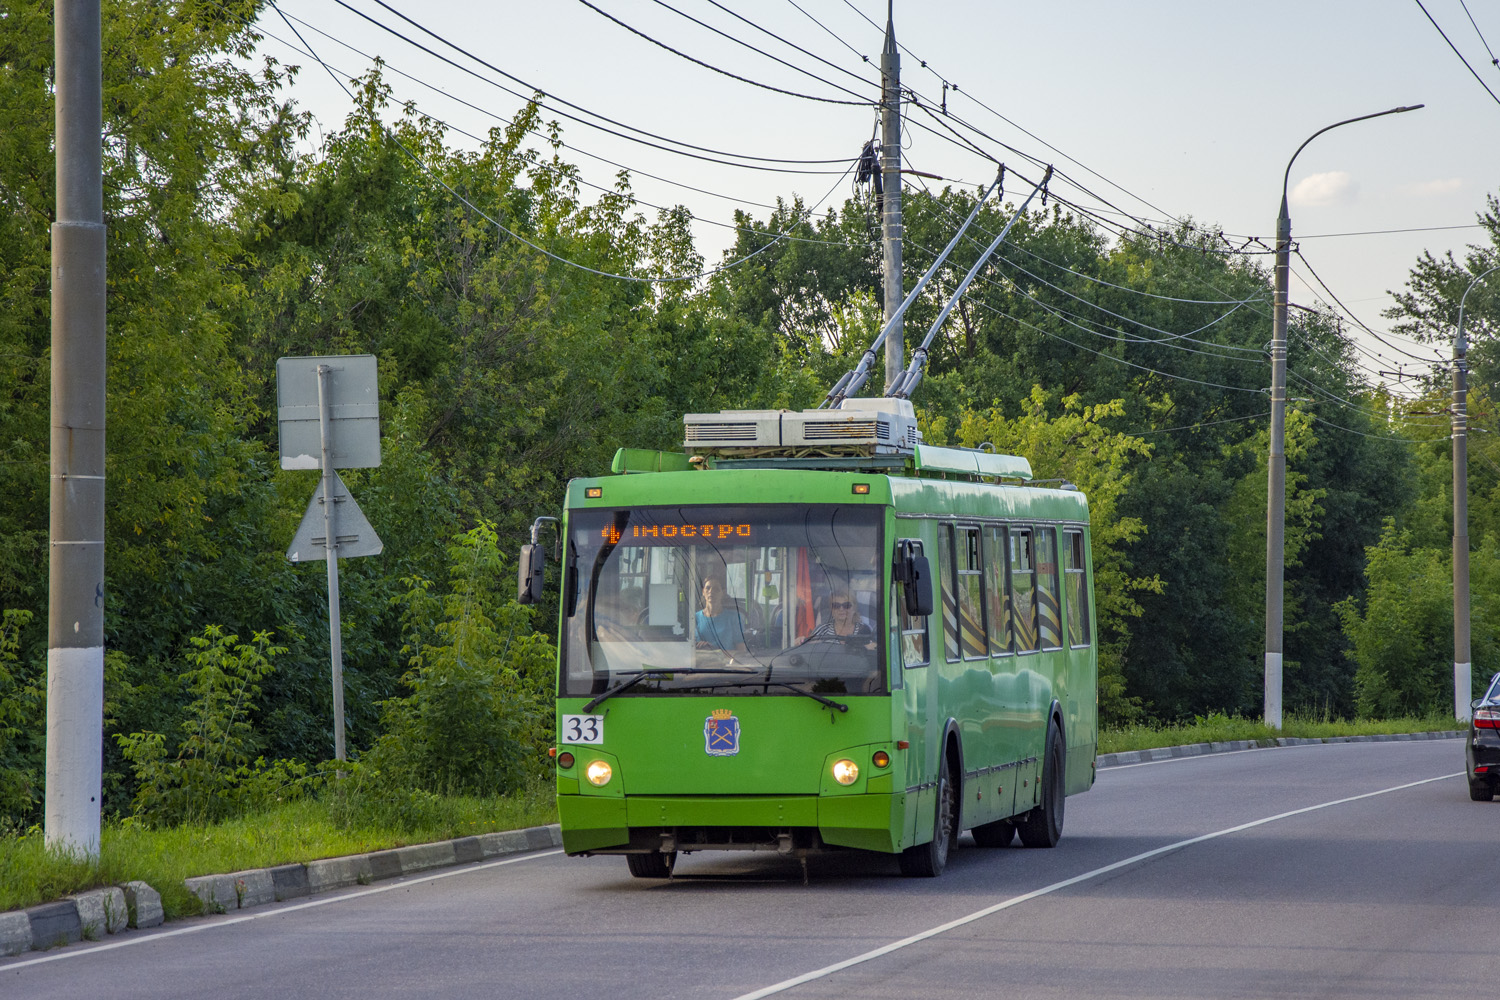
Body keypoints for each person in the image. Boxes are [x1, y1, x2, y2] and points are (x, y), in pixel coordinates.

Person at [694, 573, 747, 654]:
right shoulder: (694, 618)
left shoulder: (734, 617)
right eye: (708, 588)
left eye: (716, 589)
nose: (711, 591)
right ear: (703, 592)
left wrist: (715, 652)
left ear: (723, 592)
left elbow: (741, 651)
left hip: (727, 665)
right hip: (701, 665)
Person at [806, 588, 874, 646]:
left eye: (846, 605)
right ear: (831, 609)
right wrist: (802, 642)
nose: (841, 609)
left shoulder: (865, 630)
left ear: (854, 608)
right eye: (836, 605)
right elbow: (810, 652)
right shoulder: (822, 630)